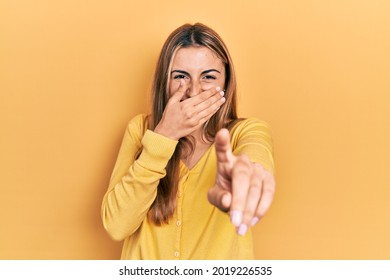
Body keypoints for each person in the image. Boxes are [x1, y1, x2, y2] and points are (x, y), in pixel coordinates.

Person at [101, 23, 275, 260]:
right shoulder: (140, 130)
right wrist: (164, 136)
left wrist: (247, 176)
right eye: (181, 76)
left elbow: (255, 155)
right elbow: (117, 225)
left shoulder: (246, 132)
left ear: (226, 81)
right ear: (165, 82)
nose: (193, 91)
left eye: (208, 77)